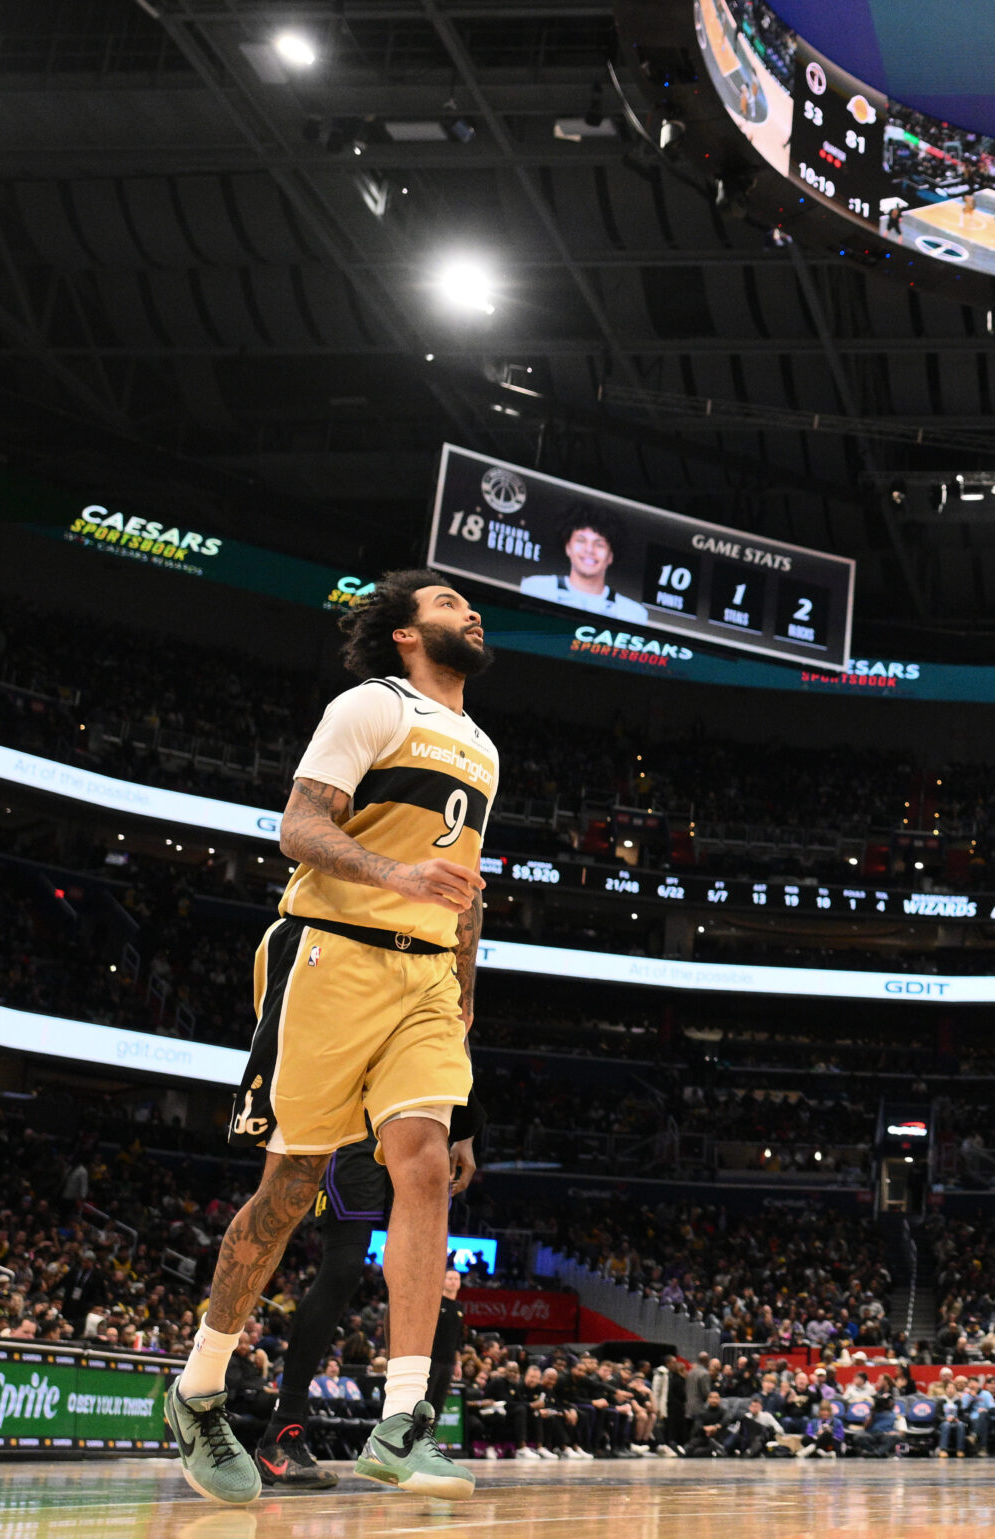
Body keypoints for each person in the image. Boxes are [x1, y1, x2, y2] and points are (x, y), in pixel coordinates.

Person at [167, 570, 495, 1506]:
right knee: (292, 1181)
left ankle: (401, 1422)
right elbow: (299, 825)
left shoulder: (483, 745)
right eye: (445, 604)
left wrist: (465, 991)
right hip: (333, 955)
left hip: (428, 976)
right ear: (404, 632)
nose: (468, 611)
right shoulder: (370, 706)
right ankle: (197, 1390)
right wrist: (397, 874)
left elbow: (463, 889)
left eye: (469, 606)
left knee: (424, 1164)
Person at [254, 1119, 482, 1489]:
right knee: (342, 1270)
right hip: (359, 1124)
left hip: (423, 1123)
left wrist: (465, 1135)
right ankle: (283, 1432)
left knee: (419, 1272)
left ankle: (401, 1429)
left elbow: (460, 1058)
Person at [518, 509, 648, 622]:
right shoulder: (535, 587)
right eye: (581, 540)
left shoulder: (633, 613)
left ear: (610, 556)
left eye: (599, 544)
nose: (589, 550)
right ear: (568, 547)